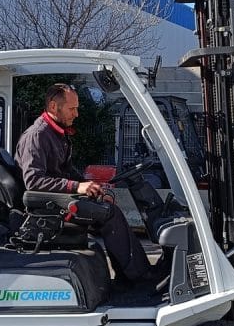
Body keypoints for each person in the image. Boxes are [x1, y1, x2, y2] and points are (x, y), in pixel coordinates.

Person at [14, 83, 152, 283]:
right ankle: (138, 278)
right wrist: (76, 187)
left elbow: (67, 170)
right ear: (54, 107)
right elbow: (33, 181)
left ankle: (131, 274)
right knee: (109, 214)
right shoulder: (37, 136)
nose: (76, 114)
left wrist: (91, 186)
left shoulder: (56, 134)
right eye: (72, 108)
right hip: (48, 207)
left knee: (108, 206)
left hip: (57, 200)